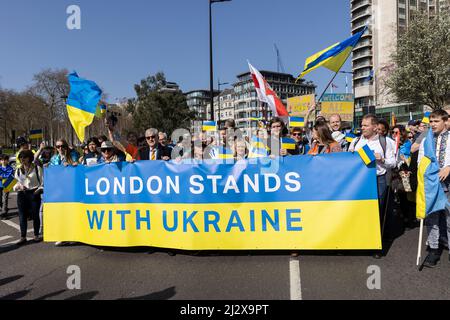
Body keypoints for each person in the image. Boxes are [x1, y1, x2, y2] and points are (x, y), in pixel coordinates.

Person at [349, 114, 396, 258]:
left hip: (378, 179)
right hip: (359, 181)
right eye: (362, 125)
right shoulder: (356, 141)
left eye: (365, 125)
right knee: (360, 211)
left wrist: (381, 159)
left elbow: (393, 163)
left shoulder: (386, 142)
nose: (362, 128)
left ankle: (377, 245)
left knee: (377, 212)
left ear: (375, 127)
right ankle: (360, 241)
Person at [418, 110, 450, 268]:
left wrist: (449, 167)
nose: (432, 124)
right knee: (432, 216)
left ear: (445, 121)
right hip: (431, 182)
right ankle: (434, 249)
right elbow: (421, 160)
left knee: (449, 217)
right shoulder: (426, 140)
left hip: (448, 183)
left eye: (436, 121)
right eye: (431, 121)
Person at [13, 150, 43, 245]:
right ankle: (23, 237)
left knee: (35, 215)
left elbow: (43, 182)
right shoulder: (18, 169)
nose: (22, 159)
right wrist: (18, 187)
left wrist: (38, 190)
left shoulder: (37, 168)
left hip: (34, 193)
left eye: (24, 157)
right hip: (22, 194)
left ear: (29, 158)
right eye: (21, 158)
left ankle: (36, 235)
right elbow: (16, 183)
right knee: (22, 216)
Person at [0, 154, 14, 219]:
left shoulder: (10, 168)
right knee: (1, 199)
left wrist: (2, 176)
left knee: (5, 199)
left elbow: (10, 176)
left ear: (7, 161)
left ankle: (4, 213)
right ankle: (3, 208)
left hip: (6, 185)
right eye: (2, 160)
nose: (3, 161)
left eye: (5, 160)